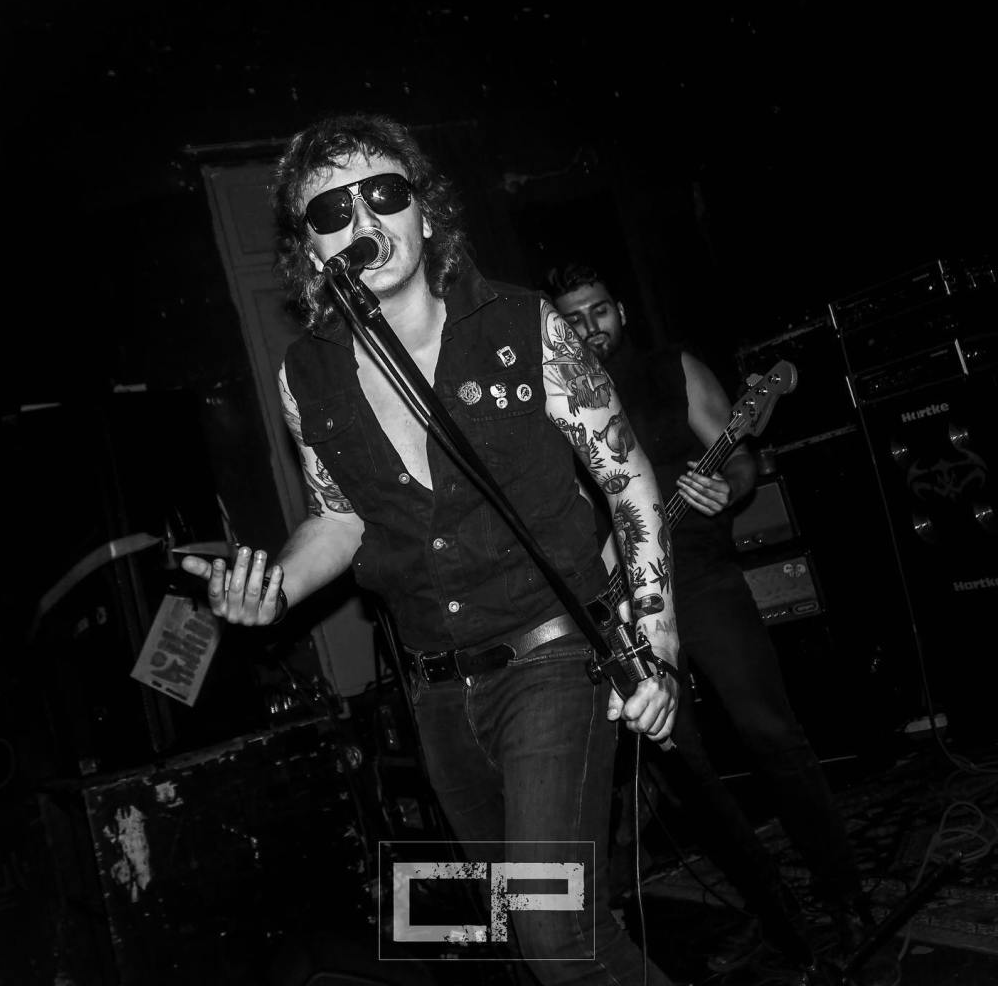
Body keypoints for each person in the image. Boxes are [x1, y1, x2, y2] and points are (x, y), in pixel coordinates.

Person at [182, 114, 683, 986]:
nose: (362, 219)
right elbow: (339, 518)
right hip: (440, 694)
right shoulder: (307, 374)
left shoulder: (522, 324)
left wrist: (657, 637)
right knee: (549, 938)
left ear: (423, 211)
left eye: (384, 193)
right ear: (310, 247)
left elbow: (628, 478)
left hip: (554, 657)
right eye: (332, 209)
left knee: (552, 935)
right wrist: (275, 589)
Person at [548, 262, 876, 973]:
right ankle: (777, 917)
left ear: (620, 310)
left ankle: (846, 896)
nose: (587, 327)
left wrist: (724, 486)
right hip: (623, 601)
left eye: (597, 310)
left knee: (769, 730)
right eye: (571, 318)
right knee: (686, 766)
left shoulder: (672, 369)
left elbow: (741, 456)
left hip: (699, 576)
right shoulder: (556, 397)